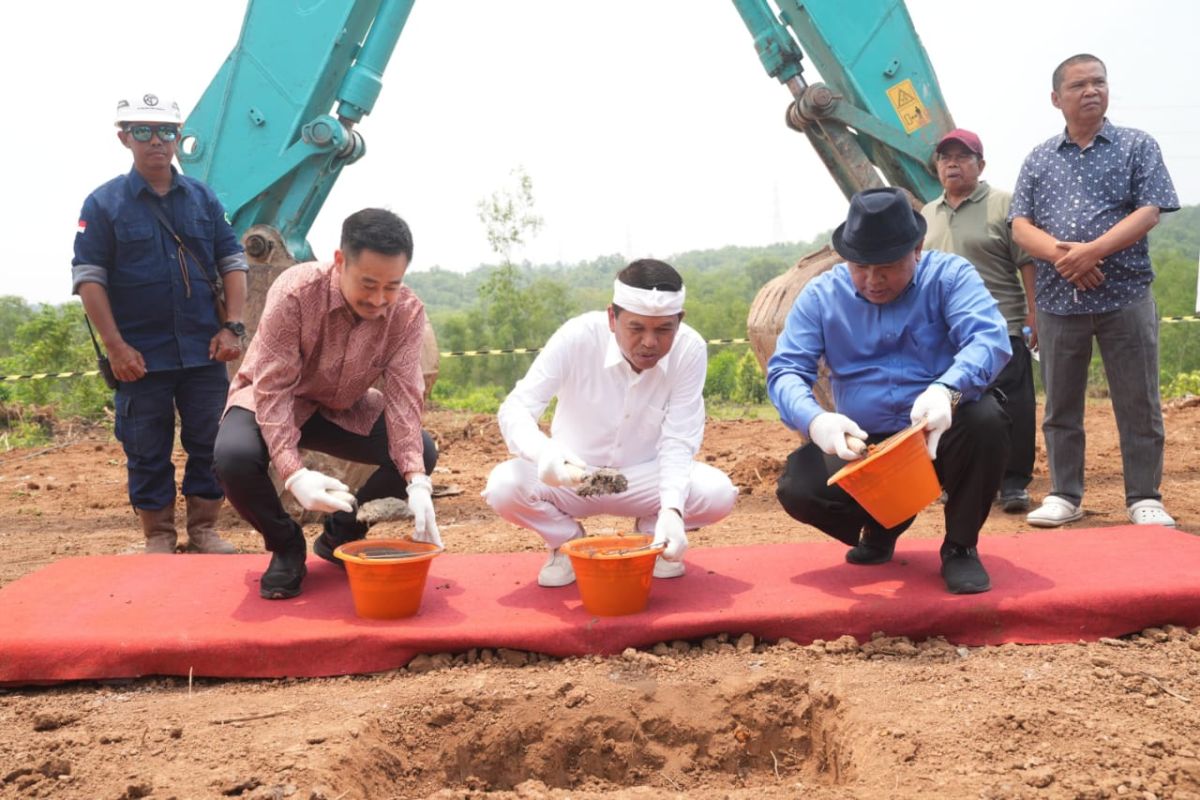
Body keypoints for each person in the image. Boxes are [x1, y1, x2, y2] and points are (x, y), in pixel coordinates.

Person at [768, 187, 1012, 595]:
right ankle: (885, 522)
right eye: (860, 267)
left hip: (937, 432)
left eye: (887, 267)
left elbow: (988, 339)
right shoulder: (820, 296)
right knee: (799, 487)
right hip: (865, 447)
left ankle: (960, 547)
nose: (873, 281)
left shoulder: (951, 277)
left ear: (917, 249)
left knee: (986, 420)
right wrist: (817, 421)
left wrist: (947, 389)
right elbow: (785, 371)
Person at [212, 208, 441, 600]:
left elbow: (404, 397)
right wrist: (294, 473)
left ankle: (340, 535)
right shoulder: (296, 291)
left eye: (391, 286)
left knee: (419, 450)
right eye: (368, 284)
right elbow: (274, 389)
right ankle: (286, 545)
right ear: (339, 262)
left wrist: (417, 482)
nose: (379, 299)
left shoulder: (406, 312)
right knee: (232, 457)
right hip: (275, 399)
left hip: (342, 408)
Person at [483, 259, 738, 587]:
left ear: (680, 320)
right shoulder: (577, 337)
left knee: (717, 493)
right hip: (572, 475)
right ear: (611, 318)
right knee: (504, 486)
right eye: (636, 328)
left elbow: (680, 438)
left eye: (663, 329)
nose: (650, 342)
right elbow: (516, 407)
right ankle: (566, 542)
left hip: (643, 478)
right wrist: (543, 452)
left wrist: (672, 511)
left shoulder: (690, 349)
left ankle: (652, 537)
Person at [72, 93, 248, 555]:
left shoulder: (203, 199)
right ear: (124, 137)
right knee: (146, 447)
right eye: (144, 131)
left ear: (178, 137)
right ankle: (159, 536)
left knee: (210, 441)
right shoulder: (104, 204)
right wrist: (115, 346)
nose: (157, 141)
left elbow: (233, 262)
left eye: (166, 132)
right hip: (139, 356)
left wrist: (233, 327)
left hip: (202, 350)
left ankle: (205, 529)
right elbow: (89, 280)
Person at [1009, 54, 1179, 529]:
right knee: (1061, 405)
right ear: (1055, 98)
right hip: (1060, 303)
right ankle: (1065, 493)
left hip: (1125, 296)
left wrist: (1093, 251)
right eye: (1079, 84)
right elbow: (1021, 226)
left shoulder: (1136, 146)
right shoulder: (1039, 158)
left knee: (1138, 401)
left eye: (1099, 82)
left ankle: (1144, 495)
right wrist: (1068, 259)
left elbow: (1150, 211)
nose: (1091, 91)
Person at [922, 129, 1038, 514]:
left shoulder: (1004, 205)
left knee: (1013, 409)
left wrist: (1033, 314)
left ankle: (1013, 484)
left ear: (980, 164)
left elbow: (1027, 262)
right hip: (945, 337)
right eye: (944, 157)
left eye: (962, 156)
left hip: (999, 328)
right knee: (953, 408)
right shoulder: (927, 214)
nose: (952, 163)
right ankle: (956, 480)